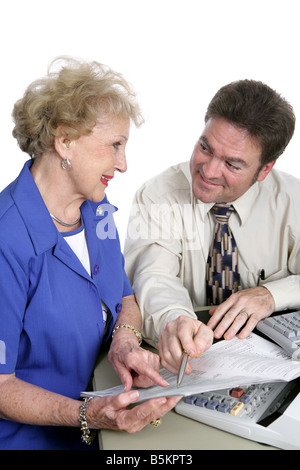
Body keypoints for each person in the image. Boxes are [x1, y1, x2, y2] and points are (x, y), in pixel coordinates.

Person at [0, 57, 180, 450]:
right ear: (64, 141)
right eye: (115, 145)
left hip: (103, 423)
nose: (124, 164)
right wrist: (88, 415)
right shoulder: (5, 241)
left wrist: (125, 343)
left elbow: (125, 298)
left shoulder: (96, 209)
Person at [124, 79, 300, 376]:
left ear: (264, 169)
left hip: (273, 364)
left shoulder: (292, 200)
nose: (208, 170)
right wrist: (175, 319)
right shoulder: (158, 195)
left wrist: (271, 295)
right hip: (184, 363)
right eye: (205, 147)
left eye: (232, 165)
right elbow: (152, 274)